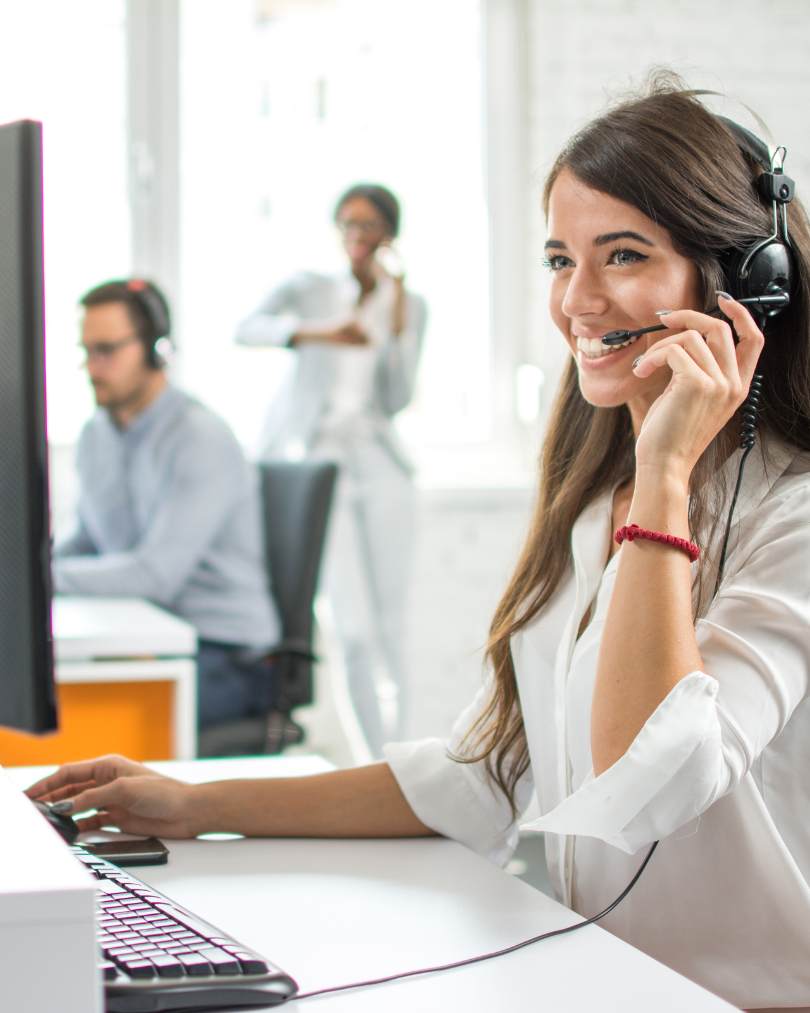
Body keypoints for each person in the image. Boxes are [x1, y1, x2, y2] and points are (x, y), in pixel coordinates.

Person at [30, 80, 810, 1011]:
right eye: (561, 258)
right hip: (610, 982)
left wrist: (666, 473)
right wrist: (196, 805)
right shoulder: (599, 500)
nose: (578, 301)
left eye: (625, 255)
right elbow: (484, 775)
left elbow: (655, 784)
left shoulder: (783, 516)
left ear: (748, 283)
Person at [234, 183, 428, 755]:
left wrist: (397, 325)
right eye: (347, 224)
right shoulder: (310, 289)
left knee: (393, 625)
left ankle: (403, 755)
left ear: (389, 234)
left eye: (367, 225)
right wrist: (318, 334)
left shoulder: (407, 303)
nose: (356, 236)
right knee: (353, 628)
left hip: (379, 460)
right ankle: (373, 760)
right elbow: (246, 328)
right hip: (318, 460)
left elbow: (396, 398)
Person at [52, 278, 282, 738]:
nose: (92, 367)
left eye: (107, 350)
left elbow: (155, 575)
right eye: (86, 351)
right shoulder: (96, 434)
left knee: (77, 721)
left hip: (227, 655)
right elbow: (90, 541)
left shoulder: (198, 437)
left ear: (156, 349)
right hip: (151, 638)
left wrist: (37, 581)